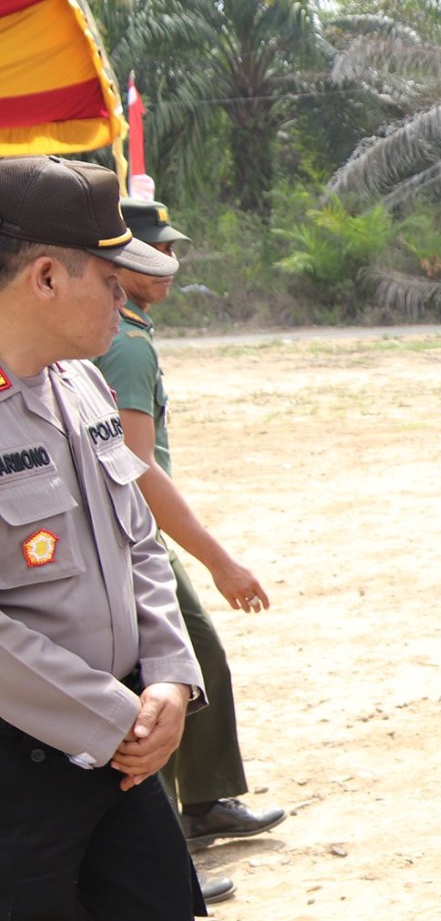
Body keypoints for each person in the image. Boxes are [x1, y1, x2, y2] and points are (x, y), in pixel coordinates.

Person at [0, 155, 290, 921]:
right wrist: (113, 714)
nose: (125, 299)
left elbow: (136, 553)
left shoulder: (76, 387)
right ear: (46, 275)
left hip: (129, 738)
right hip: (26, 761)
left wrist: (167, 679)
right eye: (107, 278)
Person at [93, 198, 284, 866]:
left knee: (187, 665)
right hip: (135, 536)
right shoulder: (126, 346)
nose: (170, 263)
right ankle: (172, 841)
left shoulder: (124, 334)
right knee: (177, 672)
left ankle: (200, 805)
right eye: (157, 252)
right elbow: (137, 467)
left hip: (129, 533)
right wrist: (219, 560)